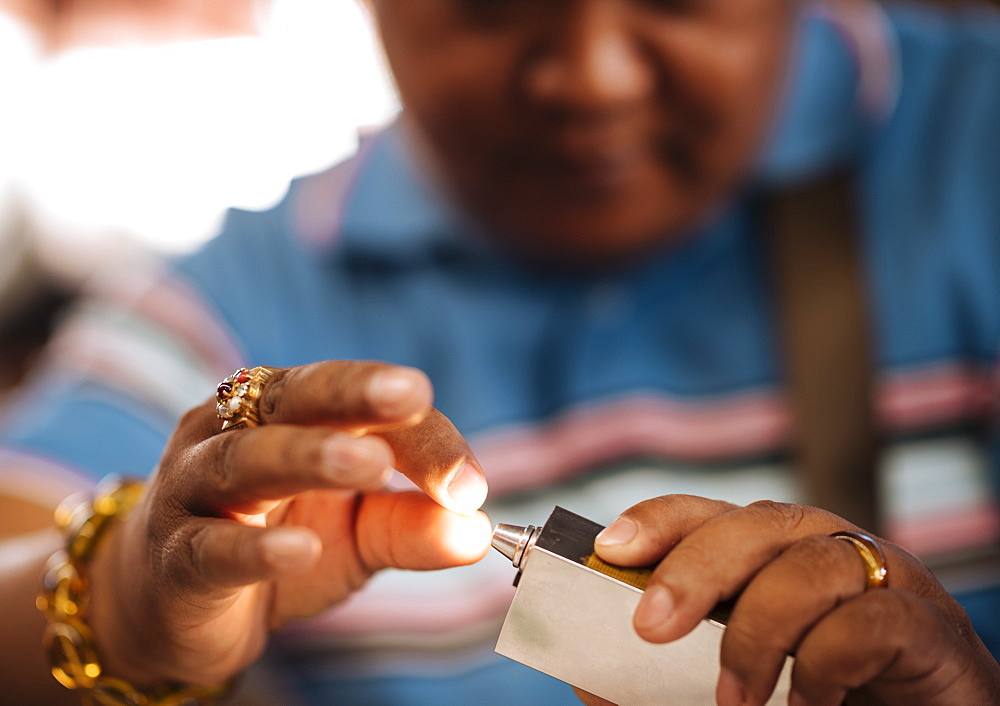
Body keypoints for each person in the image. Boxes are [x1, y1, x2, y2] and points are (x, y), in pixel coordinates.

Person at [1, 0, 999, 703]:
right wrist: (127, 602)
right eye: (495, 2)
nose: (594, 77)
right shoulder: (239, 301)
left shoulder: (974, 146)